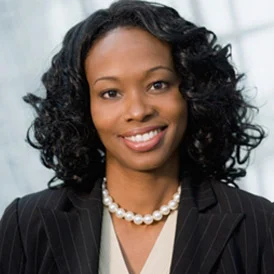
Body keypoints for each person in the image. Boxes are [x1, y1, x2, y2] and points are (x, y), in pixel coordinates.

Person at [0, 0, 273, 273]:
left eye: (157, 85)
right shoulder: (26, 225)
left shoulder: (260, 225)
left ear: (192, 92)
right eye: (111, 93)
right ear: (83, 107)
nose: (138, 111)